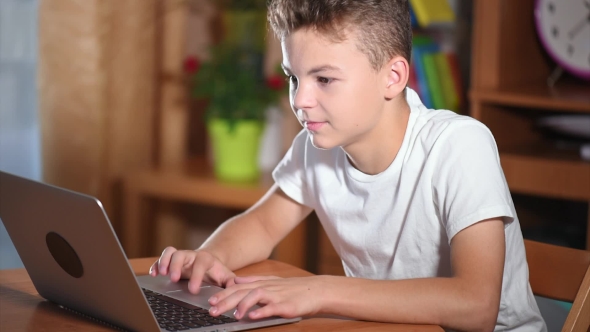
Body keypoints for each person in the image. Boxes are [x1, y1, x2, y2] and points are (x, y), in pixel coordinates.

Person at [150, 0, 546, 330]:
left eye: (323, 79)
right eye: (293, 78)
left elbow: (475, 307)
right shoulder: (316, 145)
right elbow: (262, 224)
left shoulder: (459, 145)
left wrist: (319, 291)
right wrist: (210, 255)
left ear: (392, 77)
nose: (300, 100)